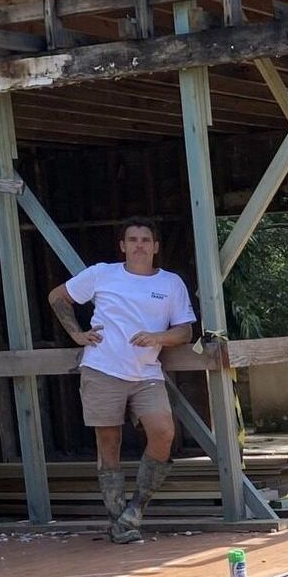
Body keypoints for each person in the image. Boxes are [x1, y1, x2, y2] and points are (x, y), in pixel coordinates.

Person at [46, 217, 195, 544]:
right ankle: (119, 521)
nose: (139, 244)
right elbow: (58, 296)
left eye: (146, 239)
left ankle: (137, 507)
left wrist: (158, 337)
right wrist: (76, 333)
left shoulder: (171, 284)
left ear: (156, 247)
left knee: (163, 432)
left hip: (147, 374)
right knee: (108, 445)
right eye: (133, 239)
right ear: (122, 246)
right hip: (102, 369)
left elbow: (185, 330)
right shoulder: (102, 273)